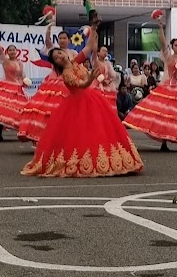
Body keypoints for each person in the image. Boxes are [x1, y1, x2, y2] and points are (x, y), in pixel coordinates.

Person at [22, 23, 143, 179]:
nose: (60, 56)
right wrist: (91, 78)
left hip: (92, 99)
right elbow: (81, 85)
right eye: (56, 58)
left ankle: (105, 158)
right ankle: (85, 161)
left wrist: (94, 28)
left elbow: (88, 47)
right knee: (81, 133)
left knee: (99, 130)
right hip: (78, 103)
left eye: (59, 53)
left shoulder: (75, 62)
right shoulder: (66, 74)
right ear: (56, 64)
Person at [123, 17, 177, 151]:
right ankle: (164, 142)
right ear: (172, 46)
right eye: (176, 45)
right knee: (166, 115)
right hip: (170, 88)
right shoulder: (169, 57)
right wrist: (160, 28)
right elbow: (163, 43)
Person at [17, 20, 72, 144]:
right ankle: (39, 136)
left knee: (64, 112)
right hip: (53, 83)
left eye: (64, 38)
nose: (62, 40)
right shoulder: (54, 51)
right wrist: (49, 28)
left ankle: (61, 139)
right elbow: (48, 42)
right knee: (45, 111)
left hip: (68, 83)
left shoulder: (73, 53)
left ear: (69, 40)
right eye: (60, 38)